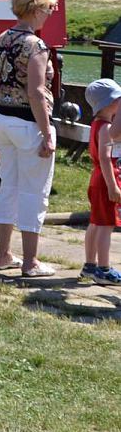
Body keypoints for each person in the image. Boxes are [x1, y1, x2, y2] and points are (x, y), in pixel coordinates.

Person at [0, 0, 60, 277]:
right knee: (35, 191)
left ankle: (3, 254)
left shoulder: (3, 38)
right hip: (28, 122)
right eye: (48, 8)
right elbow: (36, 91)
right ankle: (31, 262)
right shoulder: (36, 46)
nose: (50, 14)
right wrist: (46, 132)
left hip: (2, 118)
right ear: (35, 9)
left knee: (9, 185)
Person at [81, 79, 121, 285]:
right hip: (106, 180)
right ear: (109, 103)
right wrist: (112, 185)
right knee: (106, 225)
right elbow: (105, 157)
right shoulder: (106, 128)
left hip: (96, 179)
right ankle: (103, 269)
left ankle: (89, 265)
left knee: (95, 223)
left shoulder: (96, 124)